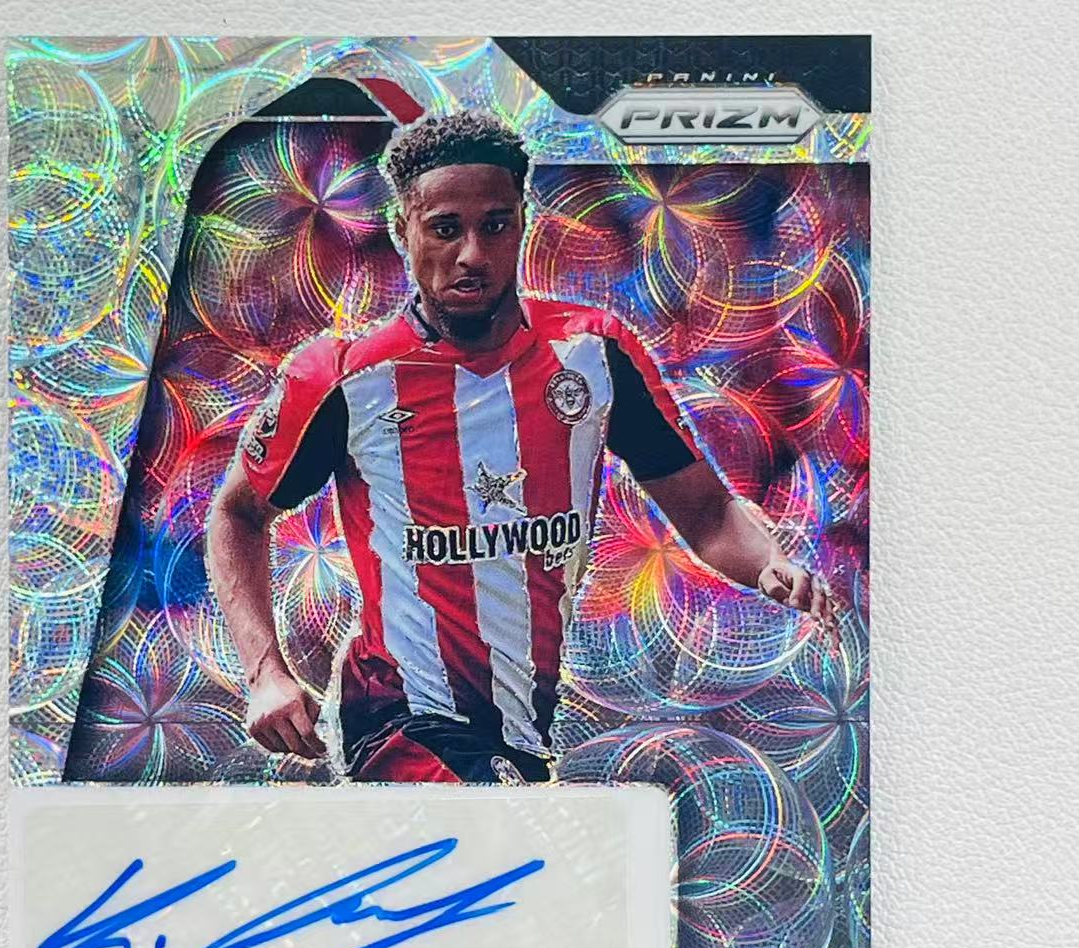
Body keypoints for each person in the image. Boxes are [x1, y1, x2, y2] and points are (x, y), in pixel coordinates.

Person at [207, 110, 833, 783]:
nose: (473, 255)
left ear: (523, 225)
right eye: (445, 229)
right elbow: (238, 513)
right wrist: (266, 673)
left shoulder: (593, 355)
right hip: (399, 719)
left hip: (520, 731)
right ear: (400, 230)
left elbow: (707, 513)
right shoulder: (343, 377)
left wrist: (768, 563)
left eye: (496, 226)